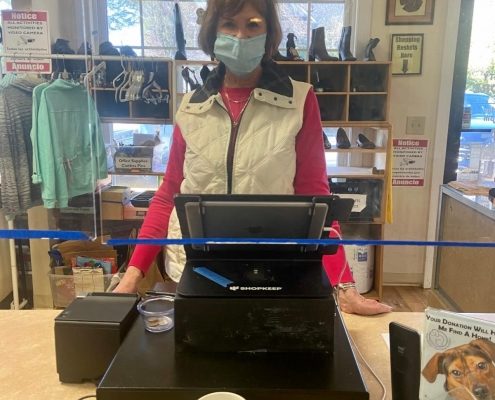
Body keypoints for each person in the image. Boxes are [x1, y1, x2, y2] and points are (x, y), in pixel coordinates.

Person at [114, 0, 392, 316]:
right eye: (229, 24)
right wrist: (132, 275)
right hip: (197, 271)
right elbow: (168, 196)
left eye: (253, 24)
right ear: (213, 32)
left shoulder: (299, 101)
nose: (241, 36)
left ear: (268, 32)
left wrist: (345, 286)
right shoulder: (191, 107)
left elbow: (316, 199)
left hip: (270, 271)